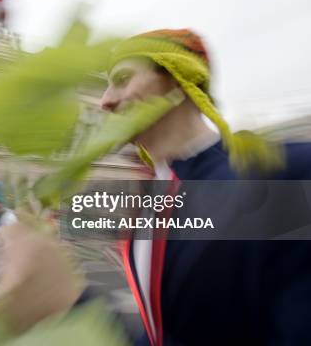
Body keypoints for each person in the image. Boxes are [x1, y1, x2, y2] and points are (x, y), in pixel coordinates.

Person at [94, 29, 311, 345]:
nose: (105, 101)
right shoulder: (145, 208)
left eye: (123, 79)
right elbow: (169, 330)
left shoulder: (284, 173)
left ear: (177, 78)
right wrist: (74, 301)